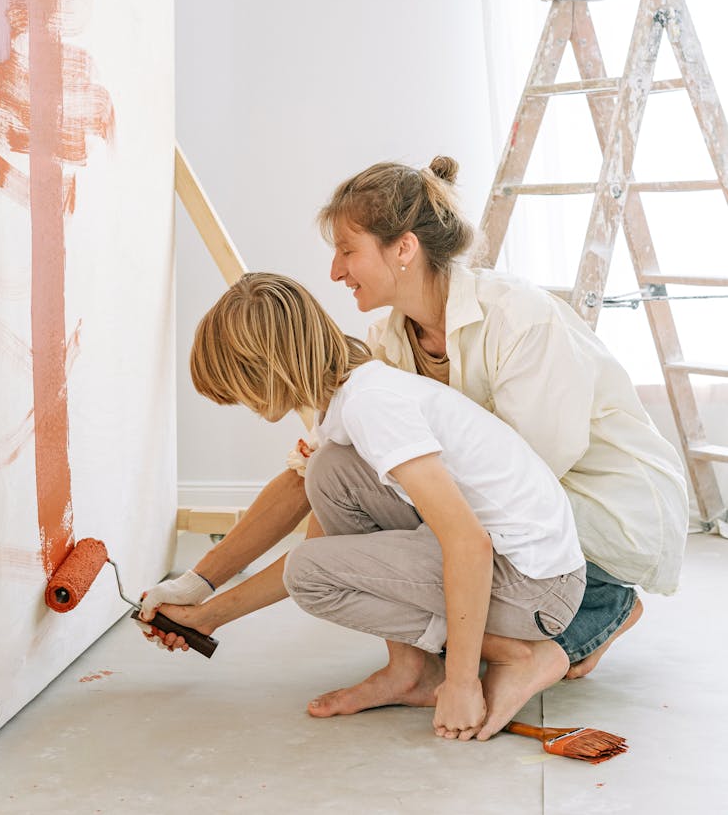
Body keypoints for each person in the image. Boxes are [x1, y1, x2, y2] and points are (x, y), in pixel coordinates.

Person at [141, 156, 689, 684]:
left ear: (403, 248)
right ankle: (433, 661)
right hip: (502, 518)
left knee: (430, 546)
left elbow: (526, 476)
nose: (334, 271)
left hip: (593, 508)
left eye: (347, 250)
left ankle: (597, 606)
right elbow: (308, 480)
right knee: (338, 473)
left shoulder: (519, 318)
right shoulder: (383, 348)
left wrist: (358, 568)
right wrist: (199, 586)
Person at [151, 272, 587, 741]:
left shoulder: (371, 406)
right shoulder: (352, 399)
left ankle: (512, 654)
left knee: (308, 572)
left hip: (537, 590)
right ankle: (410, 670)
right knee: (329, 472)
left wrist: (462, 683)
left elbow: (468, 543)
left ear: (267, 367)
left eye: (238, 387)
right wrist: (201, 602)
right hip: (523, 569)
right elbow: (320, 529)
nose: (240, 403)